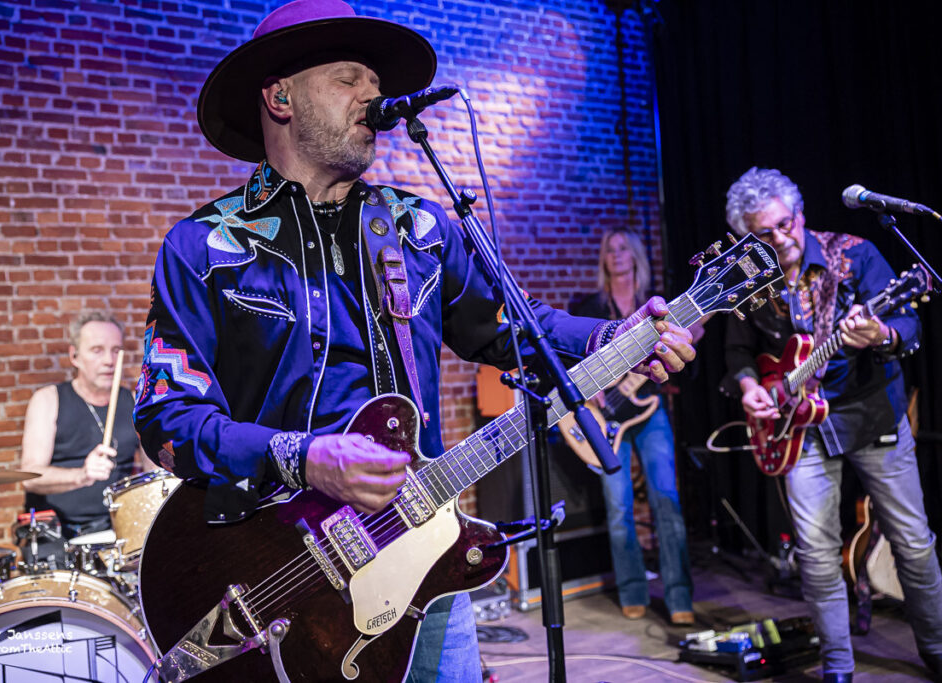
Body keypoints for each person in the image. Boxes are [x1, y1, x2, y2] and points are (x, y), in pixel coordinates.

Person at [132, 0, 697, 680]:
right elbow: (167, 418)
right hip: (272, 568)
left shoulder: (418, 229)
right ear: (281, 98)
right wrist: (305, 458)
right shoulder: (205, 246)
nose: (372, 96)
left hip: (423, 558)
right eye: (349, 78)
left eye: (375, 82)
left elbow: (517, 328)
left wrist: (616, 334)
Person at [722, 167, 942, 682]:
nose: (779, 239)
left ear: (800, 215)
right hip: (800, 429)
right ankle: (837, 666)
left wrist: (881, 333)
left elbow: (907, 324)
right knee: (816, 554)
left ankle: (936, 648)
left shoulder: (855, 254)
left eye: (784, 224)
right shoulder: (749, 282)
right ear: (747, 239)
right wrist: (751, 386)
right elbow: (738, 353)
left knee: (913, 543)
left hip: (872, 414)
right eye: (763, 234)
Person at [571, 228, 694, 625]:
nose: (617, 255)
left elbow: (682, 352)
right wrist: (590, 390)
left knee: (666, 498)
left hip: (649, 409)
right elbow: (571, 356)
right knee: (618, 505)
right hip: (604, 417)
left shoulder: (658, 304)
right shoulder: (590, 305)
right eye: (610, 249)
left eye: (624, 248)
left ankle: (679, 598)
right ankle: (632, 590)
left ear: (636, 255)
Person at [20, 312, 140, 540]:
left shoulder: (136, 402)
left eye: (116, 350)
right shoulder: (49, 400)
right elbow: (29, 477)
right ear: (74, 356)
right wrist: (82, 475)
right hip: (55, 533)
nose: (109, 360)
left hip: (118, 530)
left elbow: (155, 475)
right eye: (97, 350)